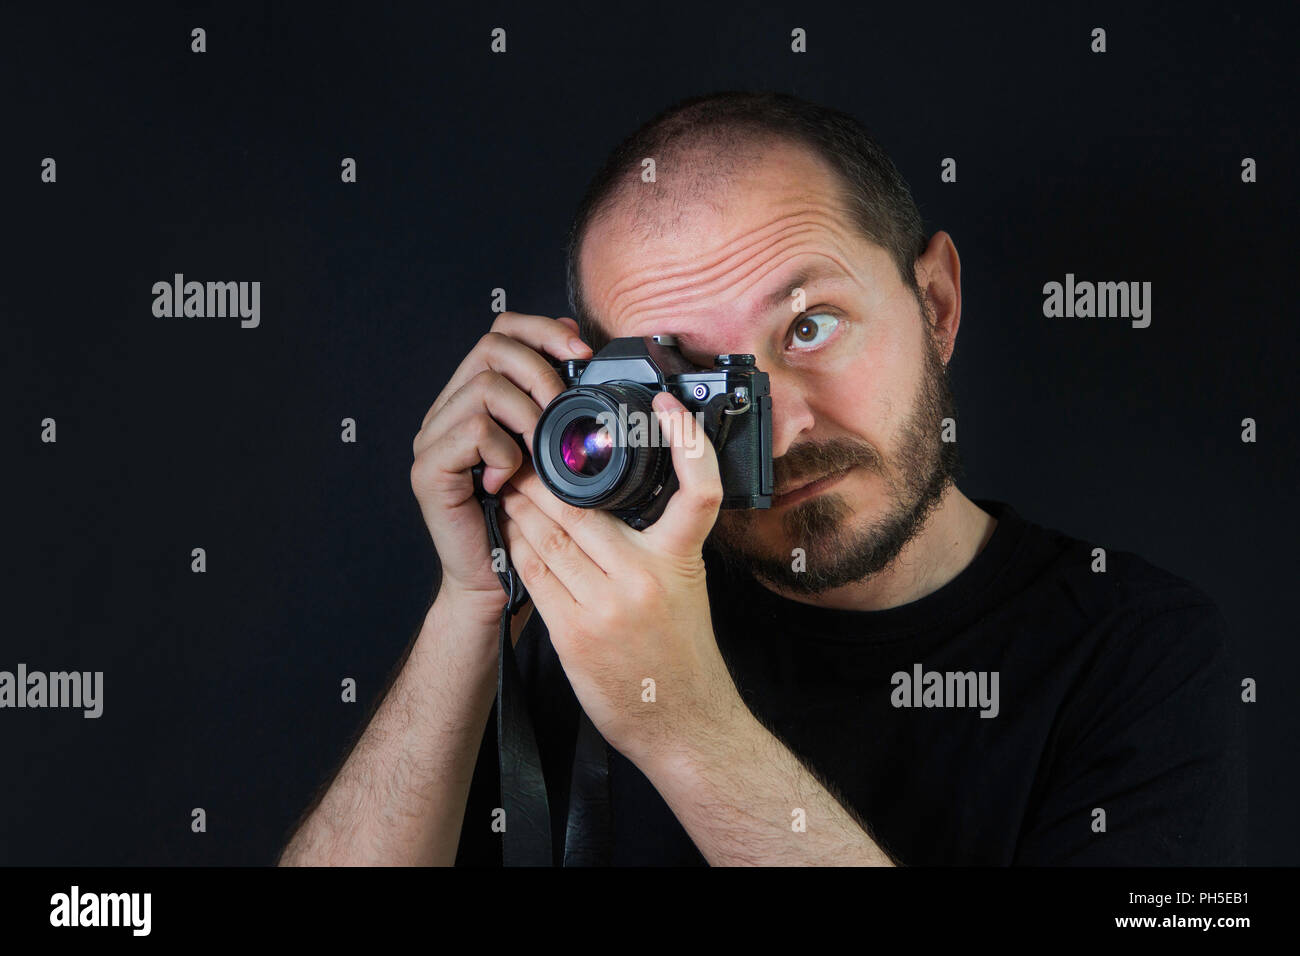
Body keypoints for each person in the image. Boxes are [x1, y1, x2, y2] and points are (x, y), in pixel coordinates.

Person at [279, 90, 1246, 867]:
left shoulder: (1135, 652)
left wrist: (685, 723)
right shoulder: (591, 609)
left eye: (810, 325)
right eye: (699, 382)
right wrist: (470, 609)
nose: (776, 427)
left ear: (937, 303)